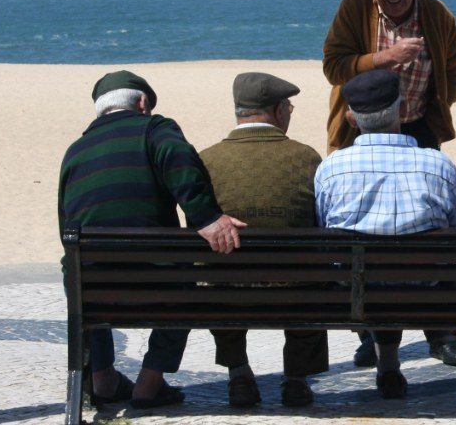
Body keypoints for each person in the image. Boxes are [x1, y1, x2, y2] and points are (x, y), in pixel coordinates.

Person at [321, 0, 456, 367]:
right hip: (360, 131)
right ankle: (371, 334)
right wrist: (383, 59)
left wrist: (438, 102)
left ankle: (443, 334)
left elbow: (455, 65)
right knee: (362, 236)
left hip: (419, 129)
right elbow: (333, 65)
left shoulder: (437, 15)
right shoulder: (354, 7)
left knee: (434, 235)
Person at [58, 70, 245, 410]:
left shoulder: (75, 151)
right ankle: (149, 383)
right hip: (158, 284)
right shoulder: (154, 128)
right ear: (142, 102)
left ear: (100, 110)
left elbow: (65, 228)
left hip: (93, 289)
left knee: (78, 270)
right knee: (187, 282)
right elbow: (180, 161)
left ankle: (102, 379)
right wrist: (206, 217)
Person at [314, 70, 456, 399]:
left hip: (356, 290)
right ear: (401, 110)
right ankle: (435, 341)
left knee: (362, 269)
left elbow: (323, 233)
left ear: (352, 119)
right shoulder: (439, 165)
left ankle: (385, 358)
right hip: (423, 288)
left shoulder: (331, 168)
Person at [199, 72, 327, 408]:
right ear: (277, 110)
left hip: (228, 292)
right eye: (289, 107)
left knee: (215, 272)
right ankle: (297, 379)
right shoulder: (306, 157)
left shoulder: (207, 160)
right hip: (296, 292)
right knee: (314, 272)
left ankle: (239, 374)